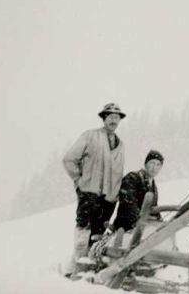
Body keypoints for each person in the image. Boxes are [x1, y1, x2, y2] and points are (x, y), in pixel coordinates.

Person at [61, 102, 126, 274]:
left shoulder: (121, 145)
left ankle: (91, 268)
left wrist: (115, 193)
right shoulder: (90, 136)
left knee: (98, 233)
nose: (114, 120)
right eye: (110, 116)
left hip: (109, 198)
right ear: (104, 118)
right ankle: (77, 267)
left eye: (117, 117)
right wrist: (80, 181)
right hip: (90, 193)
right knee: (84, 229)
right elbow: (69, 159)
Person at [111, 150, 164, 240]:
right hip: (125, 229)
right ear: (145, 164)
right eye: (152, 163)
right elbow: (128, 204)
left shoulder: (153, 187)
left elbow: (153, 209)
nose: (154, 167)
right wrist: (141, 221)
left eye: (158, 165)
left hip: (143, 231)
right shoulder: (132, 178)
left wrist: (159, 222)